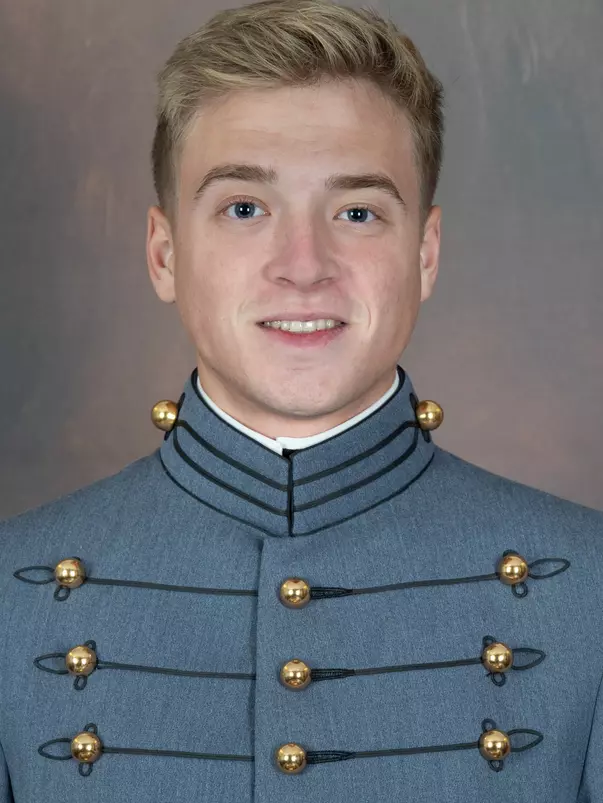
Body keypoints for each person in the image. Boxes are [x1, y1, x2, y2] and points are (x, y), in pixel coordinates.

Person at [1, 0, 602, 799]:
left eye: (357, 212)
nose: (303, 264)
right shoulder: (12, 592)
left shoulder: (587, 588)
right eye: (244, 208)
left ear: (423, 255)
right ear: (163, 253)